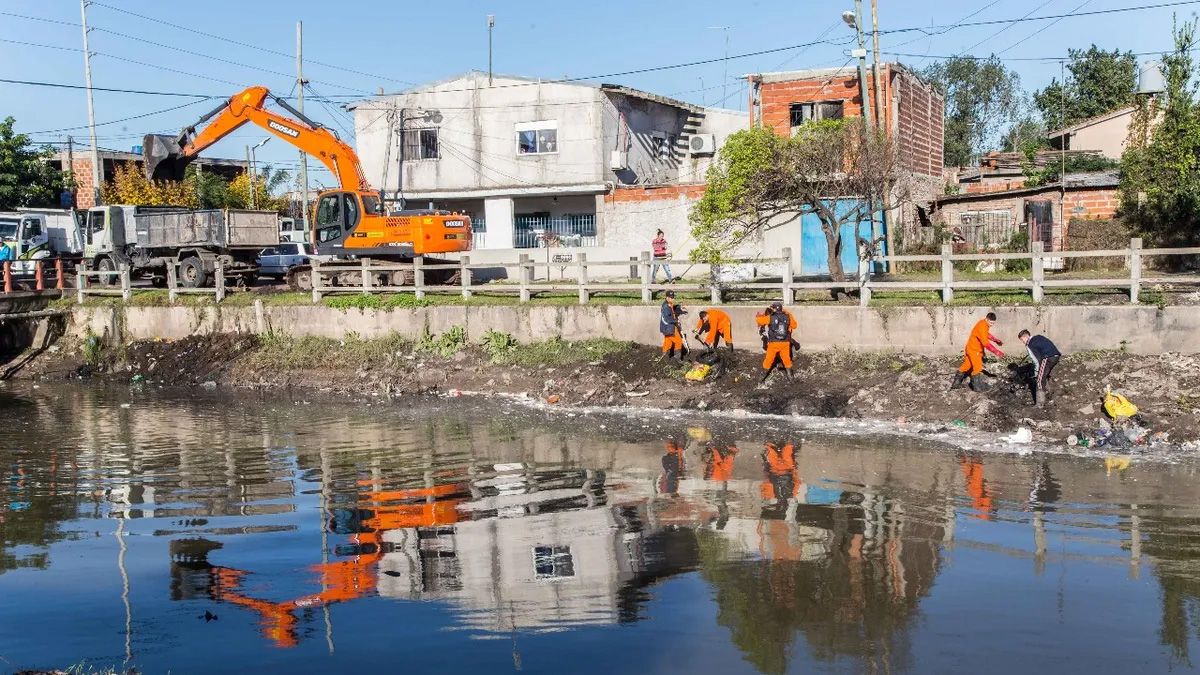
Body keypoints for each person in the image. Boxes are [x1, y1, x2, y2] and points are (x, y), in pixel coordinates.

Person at [950, 311, 1004, 392]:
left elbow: (986, 334)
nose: (991, 325)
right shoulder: (982, 326)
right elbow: (985, 343)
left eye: (993, 323)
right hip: (974, 350)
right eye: (991, 322)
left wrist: (995, 340)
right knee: (977, 368)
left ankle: (956, 384)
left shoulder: (983, 324)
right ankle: (977, 387)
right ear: (987, 319)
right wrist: (997, 352)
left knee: (966, 366)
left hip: (970, 348)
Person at [756, 301, 797, 384]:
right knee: (787, 360)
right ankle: (791, 380)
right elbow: (795, 326)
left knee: (768, 361)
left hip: (773, 343)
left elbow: (759, 321)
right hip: (785, 343)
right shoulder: (787, 316)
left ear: (774, 309)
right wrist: (788, 315)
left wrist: (759, 315)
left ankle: (760, 380)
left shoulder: (770, 317)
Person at [1019, 329, 1061, 407]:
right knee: (1044, 376)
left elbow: (1036, 361)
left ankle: (1040, 404)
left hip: (1047, 357)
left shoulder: (1029, 344)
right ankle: (1050, 395)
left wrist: (1036, 373)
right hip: (1056, 356)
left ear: (1025, 337)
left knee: (1039, 380)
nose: (1022, 342)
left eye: (1022, 339)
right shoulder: (1038, 337)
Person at [660, 290, 686, 361]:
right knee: (679, 341)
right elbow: (667, 319)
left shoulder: (668, 304)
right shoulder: (666, 306)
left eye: (673, 297)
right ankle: (677, 359)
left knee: (667, 342)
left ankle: (664, 358)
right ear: (667, 297)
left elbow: (673, 309)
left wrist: (679, 307)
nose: (672, 299)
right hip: (669, 327)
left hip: (666, 327)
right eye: (671, 298)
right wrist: (676, 321)